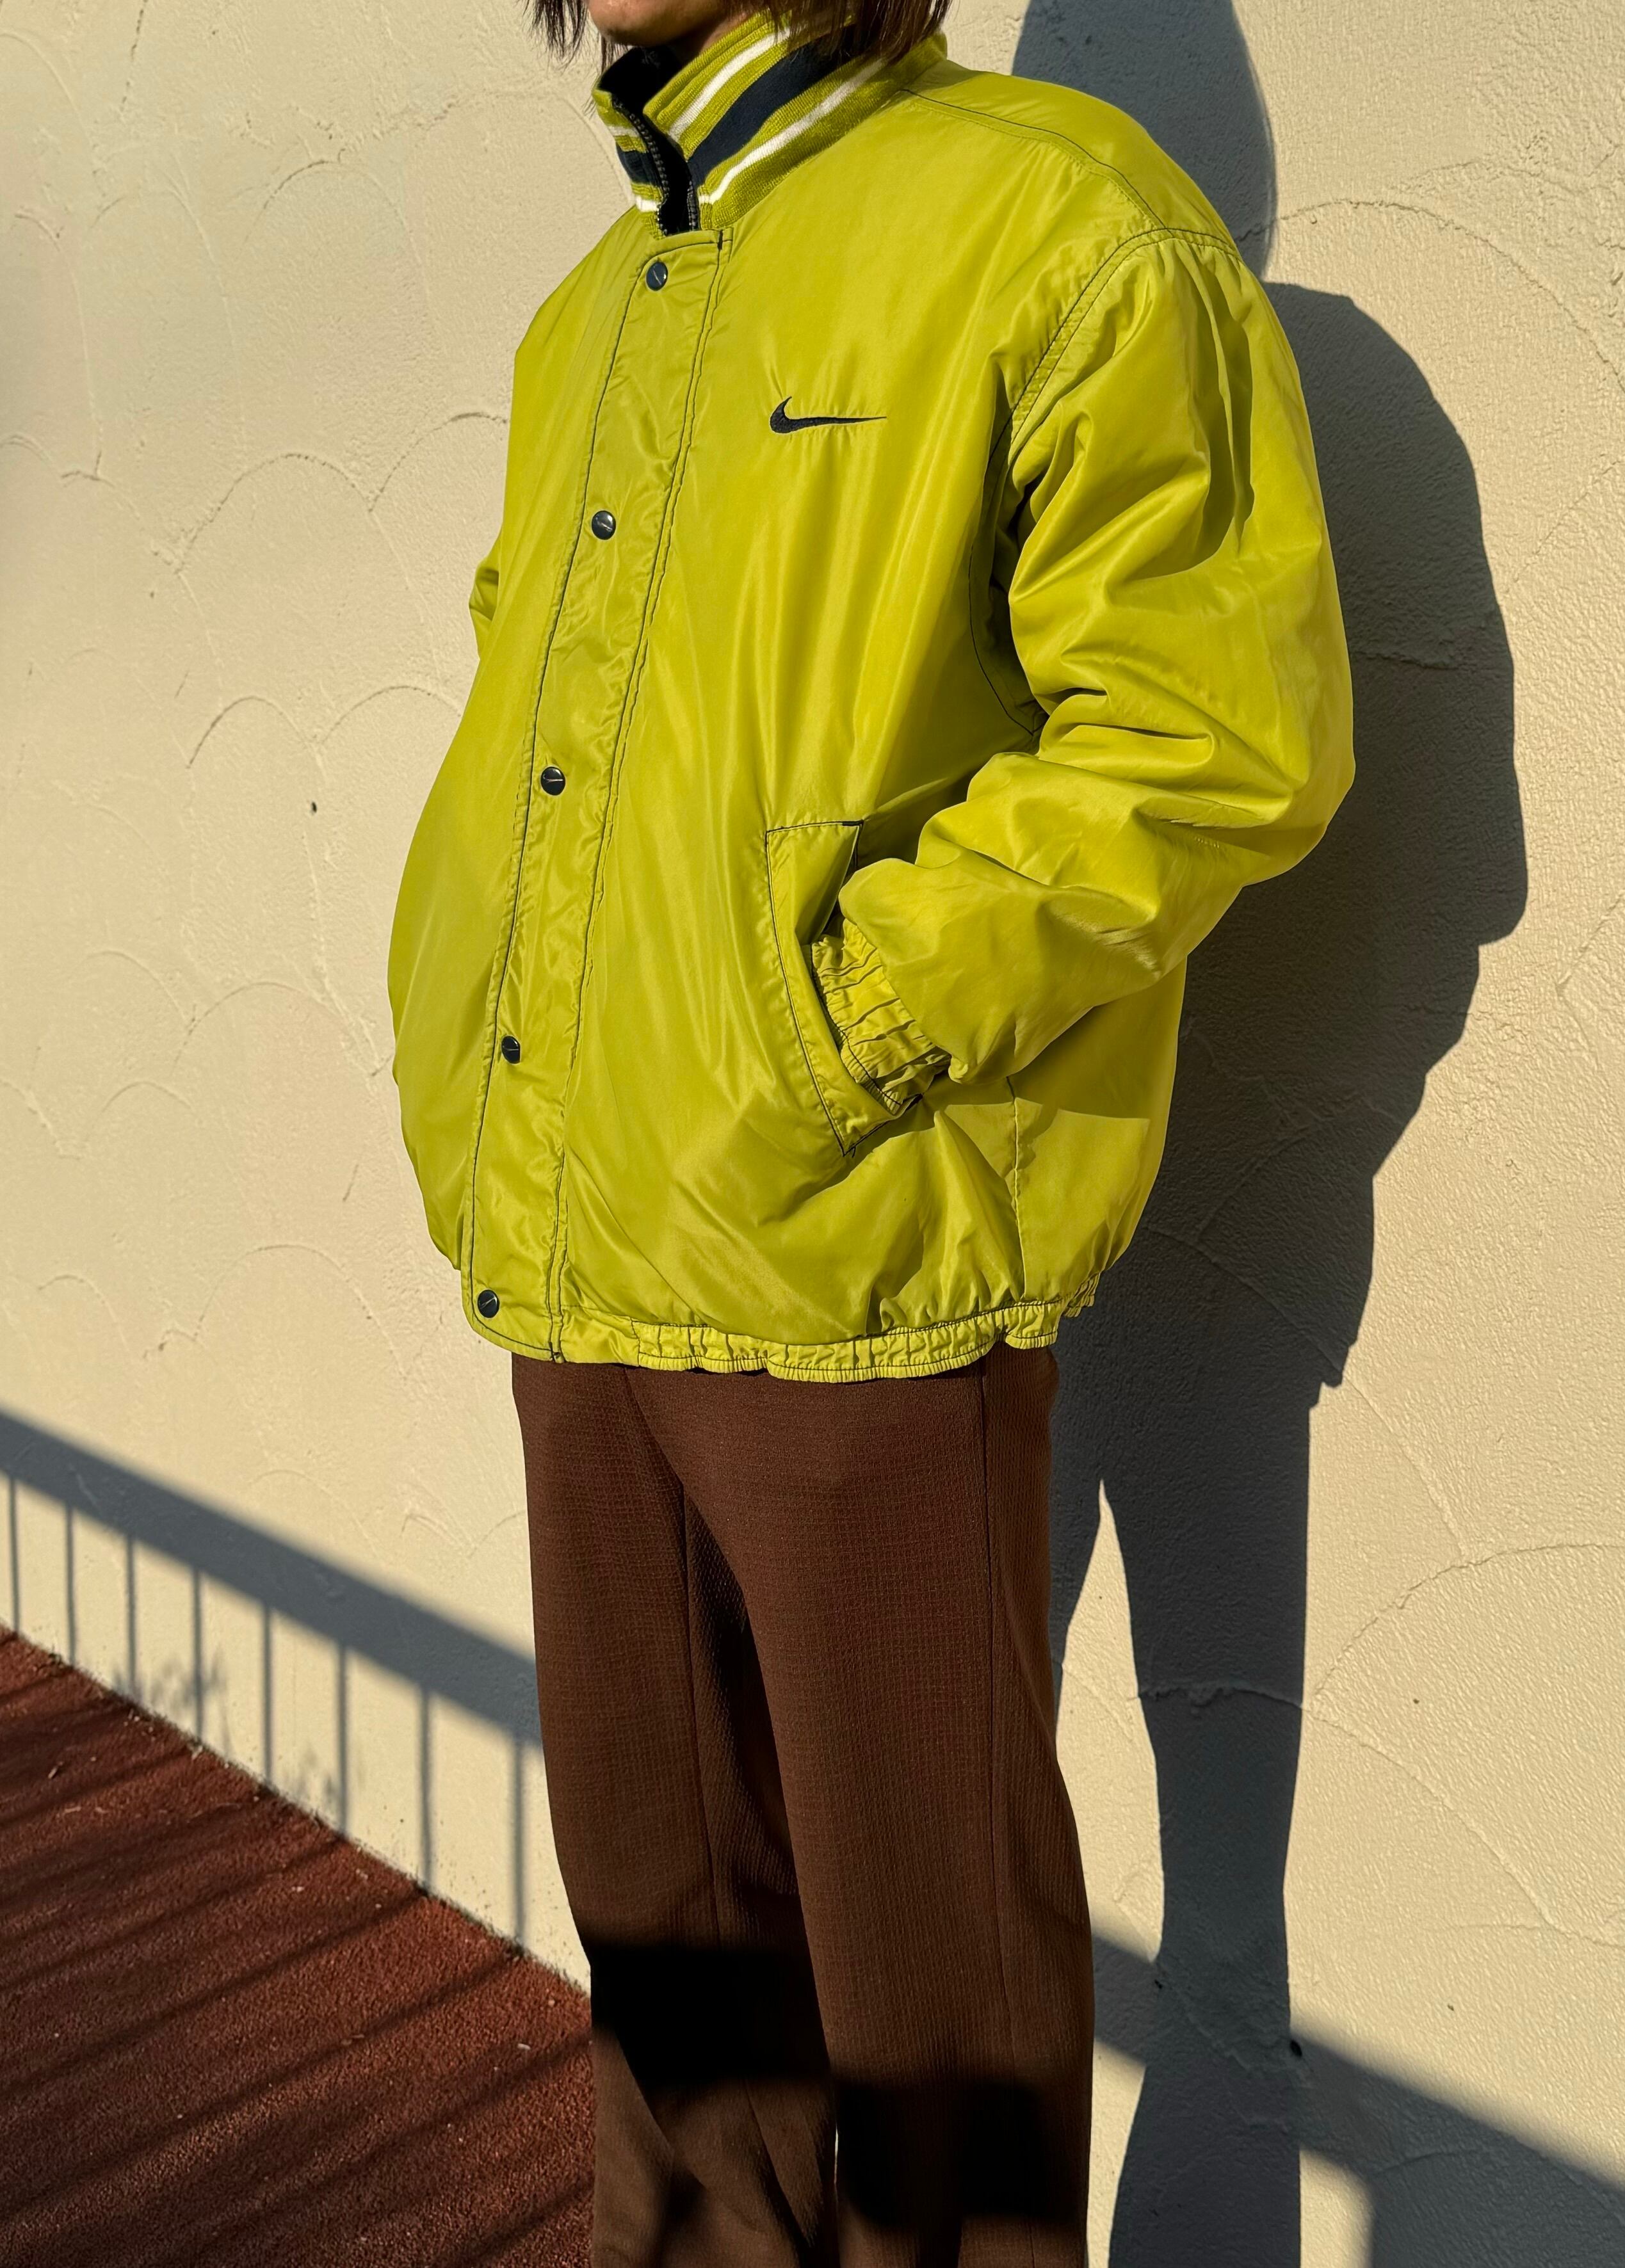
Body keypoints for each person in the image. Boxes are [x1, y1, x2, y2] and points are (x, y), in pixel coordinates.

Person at [387, 0, 1353, 2253]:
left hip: (855, 1253)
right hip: (575, 1226)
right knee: (671, 1950)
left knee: (932, 1995)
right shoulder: (595, 305)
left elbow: (1214, 734)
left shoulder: (1059, 222)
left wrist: (847, 1024)